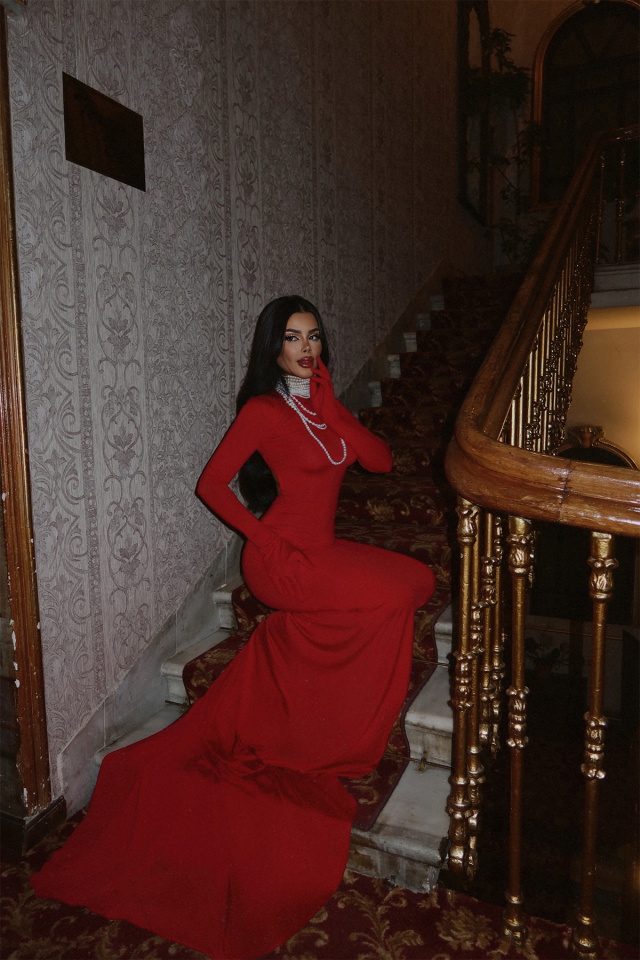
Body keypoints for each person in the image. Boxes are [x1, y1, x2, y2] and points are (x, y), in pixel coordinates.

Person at [30, 296, 436, 959]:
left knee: (416, 581)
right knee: (390, 598)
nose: (306, 348)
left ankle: (292, 641)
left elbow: (381, 462)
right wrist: (263, 539)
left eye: (314, 336)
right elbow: (212, 484)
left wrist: (335, 408)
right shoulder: (265, 410)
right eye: (293, 338)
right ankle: (325, 707)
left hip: (321, 551)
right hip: (277, 560)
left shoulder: (323, 407)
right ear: (273, 347)